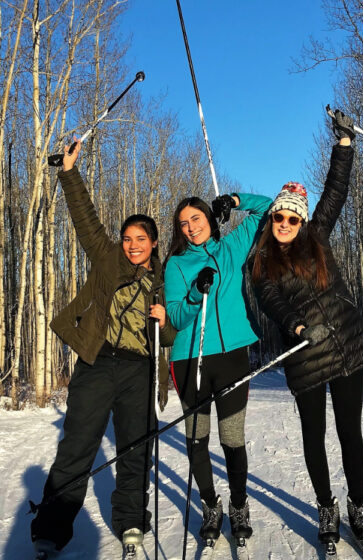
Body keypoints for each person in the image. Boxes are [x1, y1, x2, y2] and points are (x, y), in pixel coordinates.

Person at [30, 139, 176, 559]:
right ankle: (51, 531)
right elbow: (85, 218)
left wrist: (165, 322)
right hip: (98, 361)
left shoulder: (165, 280)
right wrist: (68, 172)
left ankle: (131, 522)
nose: (133, 245)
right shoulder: (107, 258)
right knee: (77, 446)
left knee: (135, 448)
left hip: (140, 372)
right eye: (128, 237)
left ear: (153, 242)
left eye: (141, 239)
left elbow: (170, 337)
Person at [250, 109, 363, 547]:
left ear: (303, 221)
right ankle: (327, 507)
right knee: (314, 437)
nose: (284, 225)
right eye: (278, 218)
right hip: (305, 356)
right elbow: (272, 302)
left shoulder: (318, 238)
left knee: (350, 433)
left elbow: (335, 190)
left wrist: (343, 143)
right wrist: (298, 325)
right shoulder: (262, 262)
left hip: (345, 348)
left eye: (292, 219)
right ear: (271, 221)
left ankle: (357, 503)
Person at [164, 189, 271, 543]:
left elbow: (268, 208)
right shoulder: (176, 265)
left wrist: (235, 201)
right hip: (188, 360)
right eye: (184, 224)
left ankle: (239, 505)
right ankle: (211, 505)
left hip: (231, 358)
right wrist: (196, 292)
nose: (191, 227)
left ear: (210, 219)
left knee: (231, 438)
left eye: (196, 219)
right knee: (197, 440)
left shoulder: (231, 249)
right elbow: (176, 316)